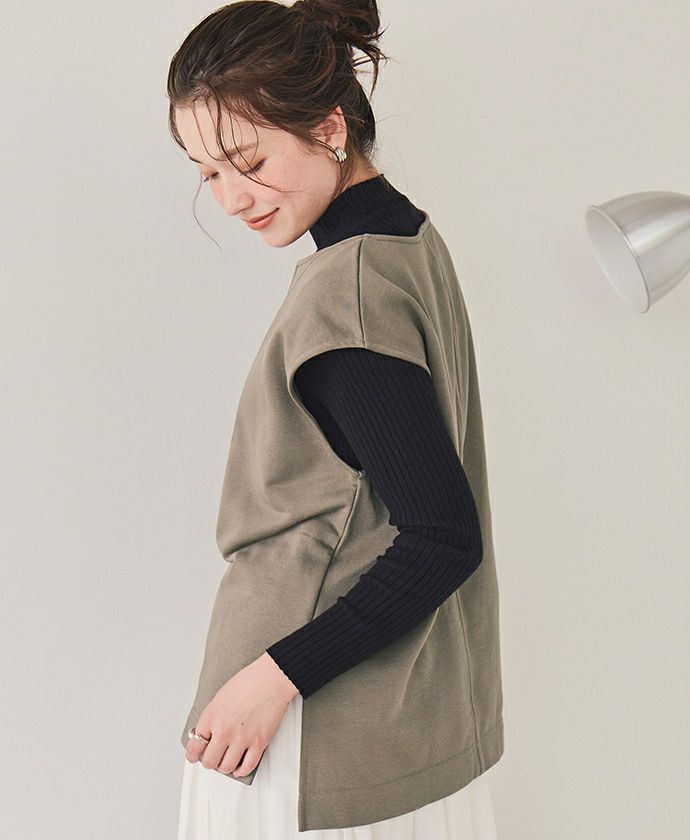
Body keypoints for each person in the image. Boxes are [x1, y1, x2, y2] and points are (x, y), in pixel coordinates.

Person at [167, 1, 505, 837]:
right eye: (207, 174)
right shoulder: (408, 240)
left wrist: (269, 679)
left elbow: (442, 537)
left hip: (302, 733)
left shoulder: (346, 293)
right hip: (393, 716)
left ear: (328, 128)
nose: (231, 198)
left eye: (248, 161)